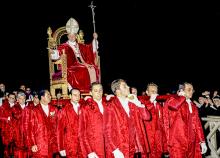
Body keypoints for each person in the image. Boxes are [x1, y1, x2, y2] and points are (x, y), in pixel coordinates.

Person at [51, 18, 100, 93]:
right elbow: (57, 54)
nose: (72, 37)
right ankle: (77, 91)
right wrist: (54, 52)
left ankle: (93, 90)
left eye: (73, 35)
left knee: (93, 68)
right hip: (70, 66)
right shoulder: (63, 46)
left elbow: (90, 48)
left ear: (76, 36)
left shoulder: (81, 45)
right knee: (82, 70)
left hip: (83, 64)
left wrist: (95, 39)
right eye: (70, 35)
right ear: (68, 36)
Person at [104, 79, 151, 158]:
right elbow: (107, 130)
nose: (128, 87)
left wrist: (138, 103)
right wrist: (115, 150)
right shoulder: (110, 106)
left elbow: (147, 117)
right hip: (120, 147)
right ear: (118, 90)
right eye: (125, 86)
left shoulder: (133, 103)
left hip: (134, 147)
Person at [163, 82, 207, 158]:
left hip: (192, 142)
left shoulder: (193, 106)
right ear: (181, 91)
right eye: (189, 89)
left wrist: (202, 141)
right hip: (177, 142)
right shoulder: (172, 99)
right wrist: (182, 97)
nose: (191, 92)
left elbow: (197, 124)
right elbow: (173, 106)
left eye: (192, 90)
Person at [79, 82, 107, 158]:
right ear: (90, 92)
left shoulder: (108, 105)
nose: (99, 93)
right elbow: (82, 132)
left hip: (109, 147)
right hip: (95, 147)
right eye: (95, 90)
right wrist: (89, 151)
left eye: (100, 90)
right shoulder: (85, 108)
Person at [29, 90, 59, 157]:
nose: (50, 96)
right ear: (42, 97)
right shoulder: (34, 110)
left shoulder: (54, 109)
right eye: (48, 95)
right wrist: (33, 144)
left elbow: (58, 126)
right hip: (40, 144)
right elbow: (30, 128)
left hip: (52, 144)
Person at [57, 88, 85, 157]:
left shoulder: (84, 108)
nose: (77, 97)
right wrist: (61, 147)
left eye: (79, 95)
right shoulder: (64, 110)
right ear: (70, 96)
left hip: (83, 143)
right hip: (70, 144)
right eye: (75, 95)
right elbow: (60, 130)